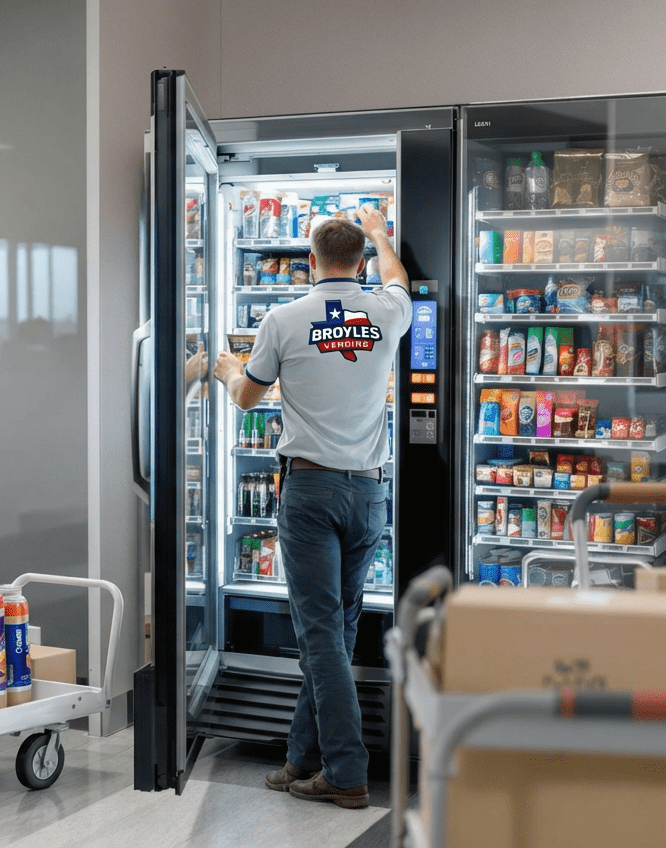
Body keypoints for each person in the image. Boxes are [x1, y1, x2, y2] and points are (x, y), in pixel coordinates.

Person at [213, 205, 411, 809]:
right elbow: (399, 278)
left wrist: (224, 371)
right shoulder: (384, 311)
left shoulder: (284, 318)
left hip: (310, 493)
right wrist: (380, 232)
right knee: (338, 627)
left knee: (320, 632)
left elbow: (248, 398)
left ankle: (347, 773)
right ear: (360, 262)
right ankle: (302, 757)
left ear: (308, 262)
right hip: (369, 492)